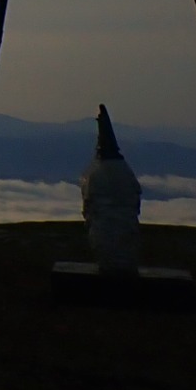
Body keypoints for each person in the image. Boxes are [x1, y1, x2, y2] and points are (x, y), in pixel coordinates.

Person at [81, 104, 141, 273]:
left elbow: (90, 207)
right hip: (124, 238)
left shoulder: (97, 176)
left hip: (106, 237)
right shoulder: (124, 174)